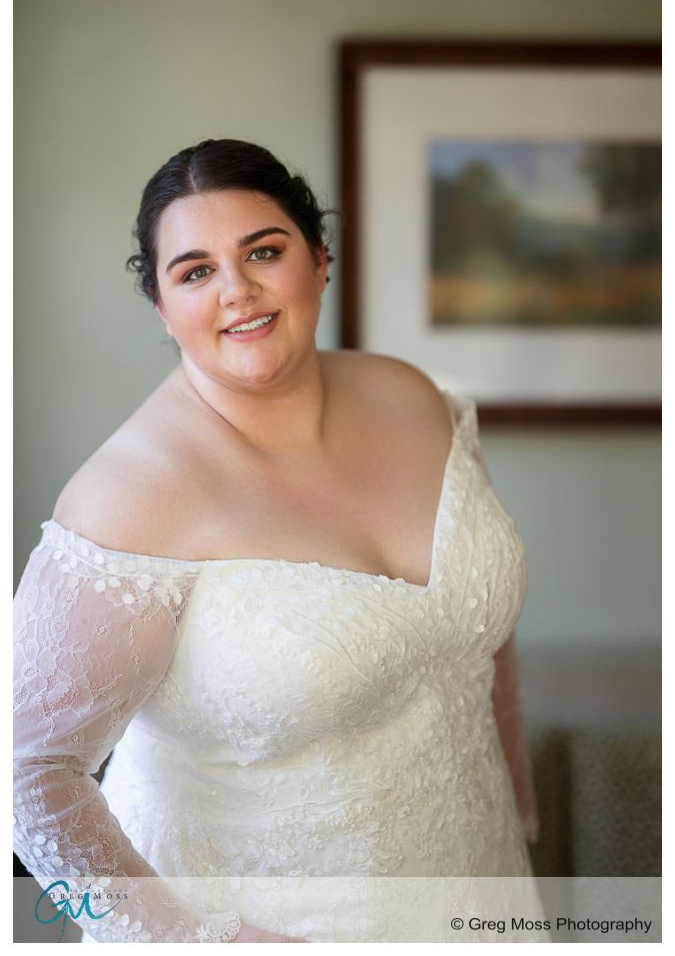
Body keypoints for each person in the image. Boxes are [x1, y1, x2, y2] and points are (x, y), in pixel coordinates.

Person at [13, 138, 547, 943]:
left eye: (264, 251)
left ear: (319, 259)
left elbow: (476, 633)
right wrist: (196, 943)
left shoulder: (417, 397)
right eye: (194, 271)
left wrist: (516, 801)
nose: (238, 291)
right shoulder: (125, 501)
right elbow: (26, 776)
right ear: (161, 305)